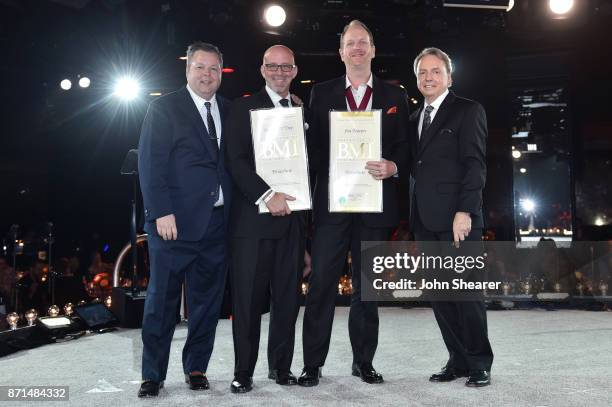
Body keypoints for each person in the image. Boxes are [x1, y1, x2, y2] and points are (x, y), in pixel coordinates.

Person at [299, 20, 410, 387]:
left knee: (368, 290)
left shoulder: (395, 97)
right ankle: (312, 364)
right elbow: (314, 151)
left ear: (373, 50)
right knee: (321, 287)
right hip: (333, 206)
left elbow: (406, 149)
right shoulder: (321, 93)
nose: (357, 48)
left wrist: (393, 165)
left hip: (375, 207)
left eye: (363, 42)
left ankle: (364, 361)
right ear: (341, 52)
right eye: (351, 43)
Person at [137, 41, 233, 397]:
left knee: (206, 304)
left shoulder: (228, 109)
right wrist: (161, 211)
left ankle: (196, 368)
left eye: (213, 69)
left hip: (217, 224)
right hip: (172, 224)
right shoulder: (163, 108)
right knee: (161, 302)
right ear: (187, 70)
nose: (207, 75)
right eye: (200, 67)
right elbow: (150, 165)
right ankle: (153, 374)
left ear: (220, 73)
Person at [409, 47, 493, 387]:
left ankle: (479, 363)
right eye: (423, 72)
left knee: (467, 294)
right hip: (424, 220)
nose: (429, 77)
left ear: (449, 77)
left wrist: (465, 210)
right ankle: (457, 359)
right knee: (440, 296)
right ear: (417, 79)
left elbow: (475, 164)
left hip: (458, 219)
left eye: (435, 71)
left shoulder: (468, 111)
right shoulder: (415, 117)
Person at [224, 45, 305, 393]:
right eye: (273, 66)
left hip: (293, 222)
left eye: (285, 66)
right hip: (252, 224)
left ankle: (281, 368)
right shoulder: (243, 107)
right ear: (262, 70)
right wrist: (267, 195)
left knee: (288, 299)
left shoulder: (303, 110)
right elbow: (235, 160)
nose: (279, 72)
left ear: (295, 70)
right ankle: (243, 372)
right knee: (248, 302)